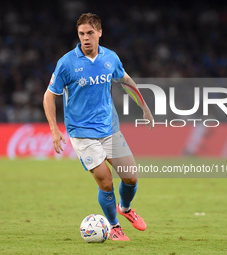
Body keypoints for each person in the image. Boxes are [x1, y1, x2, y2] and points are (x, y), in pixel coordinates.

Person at [43, 13, 154, 241]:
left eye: (90, 33)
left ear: (99, 33)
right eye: (81, 34)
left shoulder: (110, 58)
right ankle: (113, 226)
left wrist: (144, 107)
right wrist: (54, 130)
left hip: (109, 128)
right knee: (105, 180)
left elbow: (126, 81)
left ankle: (125, 208)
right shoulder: (67, 63)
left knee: (131, 177)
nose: (85, 38)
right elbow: (48, 97)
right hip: (82, 133)